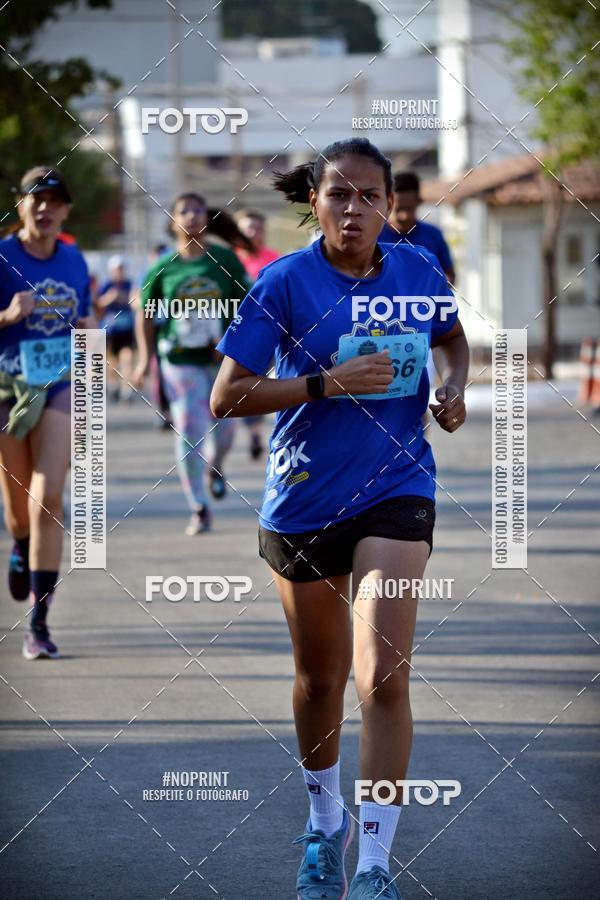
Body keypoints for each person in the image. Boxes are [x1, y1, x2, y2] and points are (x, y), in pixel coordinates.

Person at [210, 138, 469, 899]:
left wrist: (452, 390)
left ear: (390, 206)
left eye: (368, 196)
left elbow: (452, 338)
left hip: (397, 487)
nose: (353, 210)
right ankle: (325, 826)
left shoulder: (420, 271)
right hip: (304, 499)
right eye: (337, 195)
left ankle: (376, 866)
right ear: (315, 204)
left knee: (381, 674)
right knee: (319, 678)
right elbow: (227, 396)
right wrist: (324, 384)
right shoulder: (284, 284)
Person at [0, 166, 95, 660]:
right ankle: (20, 546)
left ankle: (38, 623)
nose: (45, 207)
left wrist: (88, 328)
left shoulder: (75, 260)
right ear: (20, 205)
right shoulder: (2, 256)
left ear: (65, 210)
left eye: (55, 200)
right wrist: (9, 317)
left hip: (58, 385)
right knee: (18, 512)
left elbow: (87, 324)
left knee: (47, 501)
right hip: (5, 388)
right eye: (36, 199)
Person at [133, 194, 252, 535]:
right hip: (180, 360)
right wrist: (145, 358)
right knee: (189, 426)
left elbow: (249, 304)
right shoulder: (162, 269)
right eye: (184, 211)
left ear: (207, 218)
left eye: (199, 210)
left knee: (227, 429)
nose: (192, 216)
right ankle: (198, 506)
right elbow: (147, 315)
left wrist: (231, 339)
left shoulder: (225, 259)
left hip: (221, 360)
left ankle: (215, 466)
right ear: (173, 221)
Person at [234, 209, 281, 461]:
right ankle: (251, 431)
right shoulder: (228, 261)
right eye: (247, 228)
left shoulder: (276, 260)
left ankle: (256, 432)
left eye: (258, 228)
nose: (253, 233)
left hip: (271, 335)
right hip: (237, 336)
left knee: (264, 382)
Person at [379, 171, 455, 284]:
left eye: (409, 209)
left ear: (419, 202)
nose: (404, 216)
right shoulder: (375, 236)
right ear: (389, 204)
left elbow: (449, 276)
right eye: (399, 209)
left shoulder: (433, 235)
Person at [96, 254, 135, 401]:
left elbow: (137, 300)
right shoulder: (106, 285)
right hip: (110, 329)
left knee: (127, 358)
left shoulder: (129, 284)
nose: (119, 271)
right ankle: (113, 385)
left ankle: (127, 390)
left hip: (127, 328)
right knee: (112, 360)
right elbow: (97, 304)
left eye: (121, 268)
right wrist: (108, 298)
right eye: (116, 269)